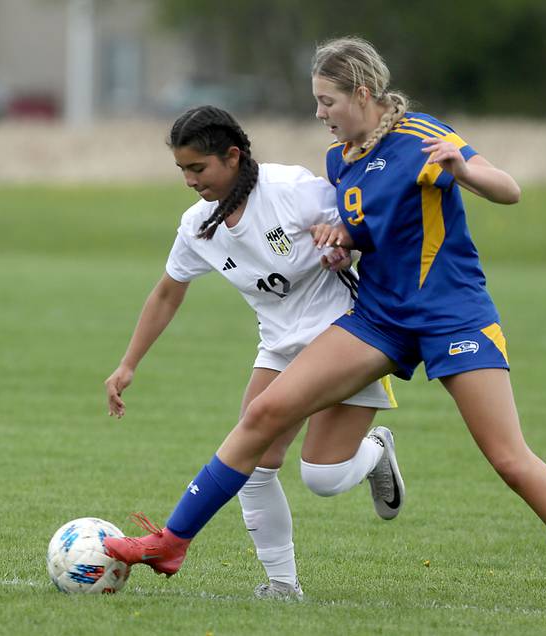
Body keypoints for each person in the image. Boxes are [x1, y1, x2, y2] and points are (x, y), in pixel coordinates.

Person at [105, 39, 546, 617]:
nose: (319, 114)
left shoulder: (420, 136)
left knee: (509, 460)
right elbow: (364, 232)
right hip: (380, 318)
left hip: (452, 315)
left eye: (326, 100)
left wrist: (465, 171)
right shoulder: (340, 161)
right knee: (263, 416)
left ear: (361, 93)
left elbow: (508, 189)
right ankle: (172, 541)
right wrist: (341, 242)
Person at [104, 104, 404, 600]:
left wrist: (343, 243)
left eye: (198, 168)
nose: (189, 180)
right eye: (182, 170)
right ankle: (283, 586)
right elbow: (166, 292)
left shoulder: (291, 191)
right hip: (281, 347)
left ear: (233, 156)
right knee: (256, 465)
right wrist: (128, 363)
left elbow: (366, 229)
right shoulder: (200, 225)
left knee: (321, 477)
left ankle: (374, 453)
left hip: (348, 335)